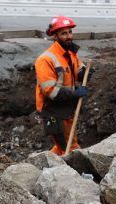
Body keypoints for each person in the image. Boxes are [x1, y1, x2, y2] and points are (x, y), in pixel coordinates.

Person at [35, 16, 90, 156]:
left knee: (62, 147)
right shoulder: (45, 60)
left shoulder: (70, 53)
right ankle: (75, 173)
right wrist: (74, 93)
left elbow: (77, 71)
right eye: (64, 33)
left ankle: (46, 165)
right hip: (53, 110)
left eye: (70, 32)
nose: (68, 36)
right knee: (70, 148)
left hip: (67, 107)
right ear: (55, 36)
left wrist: (85, 74)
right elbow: (50, 91)